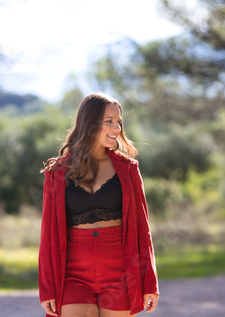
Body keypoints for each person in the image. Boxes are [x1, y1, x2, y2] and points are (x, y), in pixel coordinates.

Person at [39, 93, 159, 317]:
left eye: (119, 122)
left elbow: (143, 229)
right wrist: (47, 288)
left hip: (121, 271)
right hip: (72, 273)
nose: (117, 128)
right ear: (90, 122)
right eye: (109, 121)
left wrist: (150, 282)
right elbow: (48, 233)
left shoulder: (129, 170)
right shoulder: (57, 173)